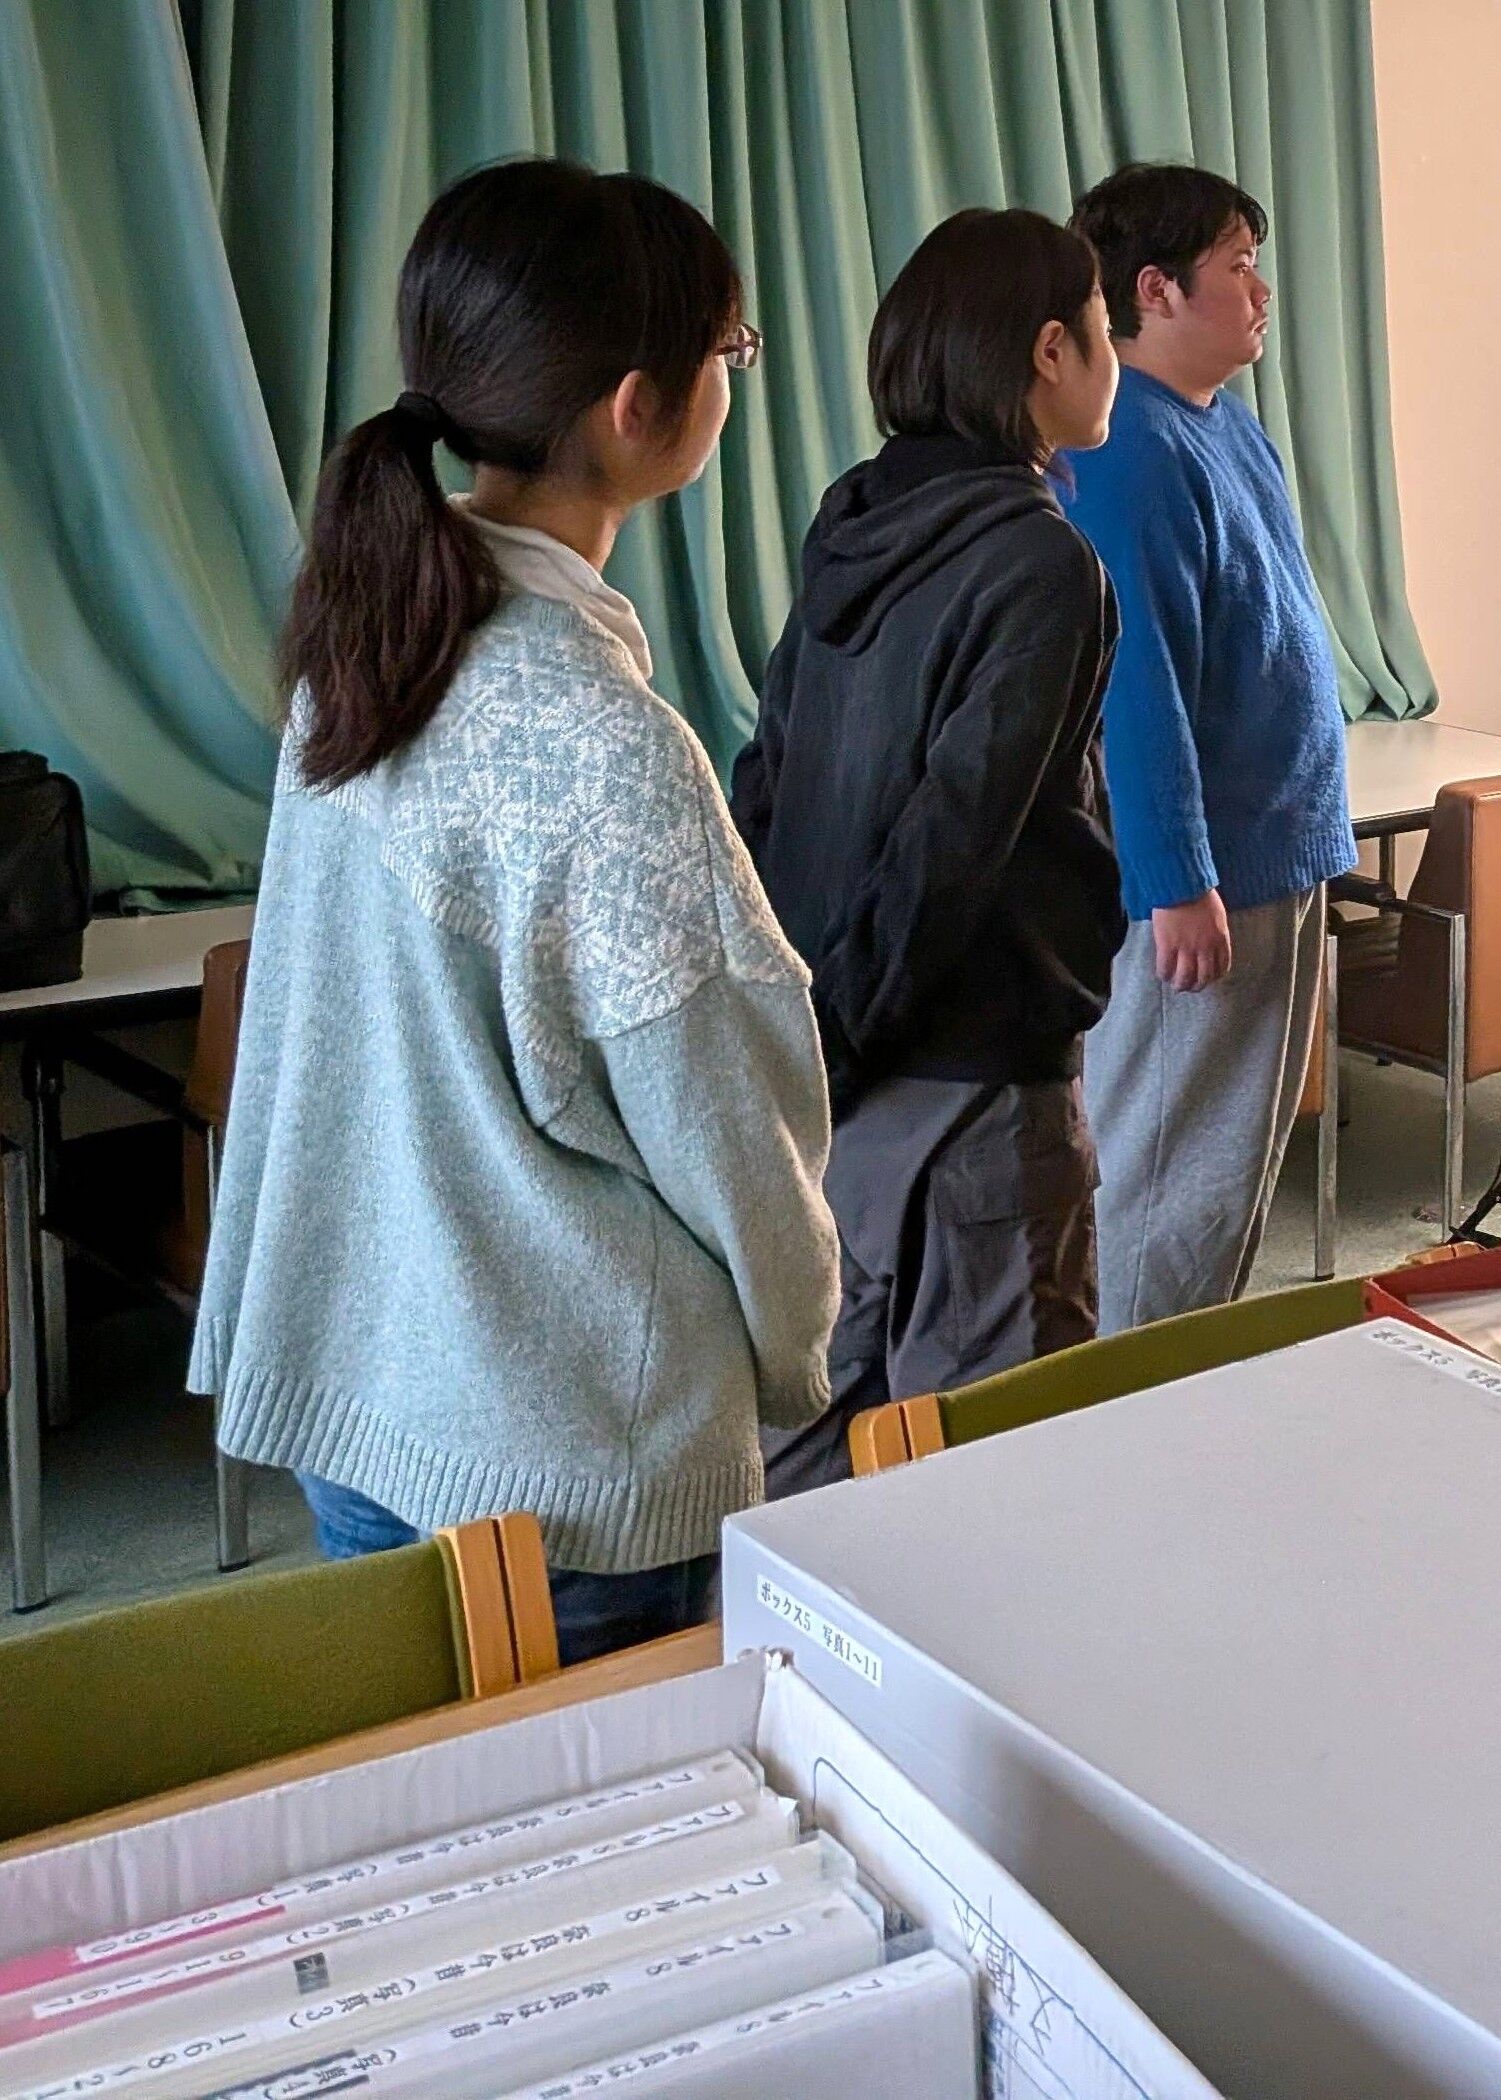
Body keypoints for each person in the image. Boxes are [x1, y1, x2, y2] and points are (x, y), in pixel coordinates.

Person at [192, 160, 837, 1663]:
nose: (733, 380)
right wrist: (802, 1340)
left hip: (365, 1393)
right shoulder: (606, 743)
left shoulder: (366, 648)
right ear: (635, 408)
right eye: (730, 352)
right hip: (569, 1461)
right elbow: (731, 1130)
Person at [733, 210, 1123, 1496]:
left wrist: (808, 1046)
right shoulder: (1040, 560)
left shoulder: (850, 518)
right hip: (967, 1077)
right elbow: (954, 843)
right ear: (1050, 350)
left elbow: (767, 779)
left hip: (827, 1072)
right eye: (1103, 329)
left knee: (811, 1445)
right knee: (999, 1478)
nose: (1112, 359)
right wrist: (845, 1039)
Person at [1061, 162, 1357, 1331]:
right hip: (1208, 880)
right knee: (1164, 1172)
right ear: (1156, 290)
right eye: (1238, 266)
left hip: (1272, 852)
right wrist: (1176, 881)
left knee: (1224, 1176)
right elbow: (1136, 690)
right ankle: (1121, 1398)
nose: (1261, 291)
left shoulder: (1220, 423)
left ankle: (1175, 1375)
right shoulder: (1128, 450)